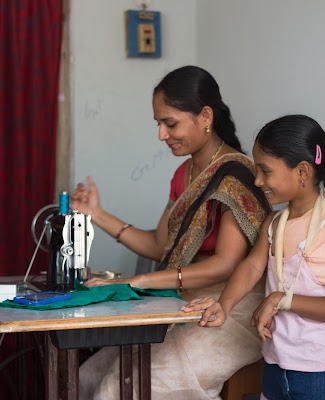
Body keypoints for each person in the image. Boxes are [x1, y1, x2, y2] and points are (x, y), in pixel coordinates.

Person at [71, 65, 271, 400]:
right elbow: (158, 245)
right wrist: (97, 214)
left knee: (117, 390)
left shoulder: (235, 175)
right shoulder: (185, 173)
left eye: (170, 123)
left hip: (230, 309)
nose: (162, 135)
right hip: (182, 303)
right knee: (85, 378)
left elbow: (226, 264)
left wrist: (138, 281)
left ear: (205, 116)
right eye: (158, 124)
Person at [183, 114, 325, 400]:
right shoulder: (275, 222)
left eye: (265, 171)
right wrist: (224, 305)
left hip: (321, 374)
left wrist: (280, 299)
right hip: (277, 366)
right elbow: (252, 265)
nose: (257, 180)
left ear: (302, 172)